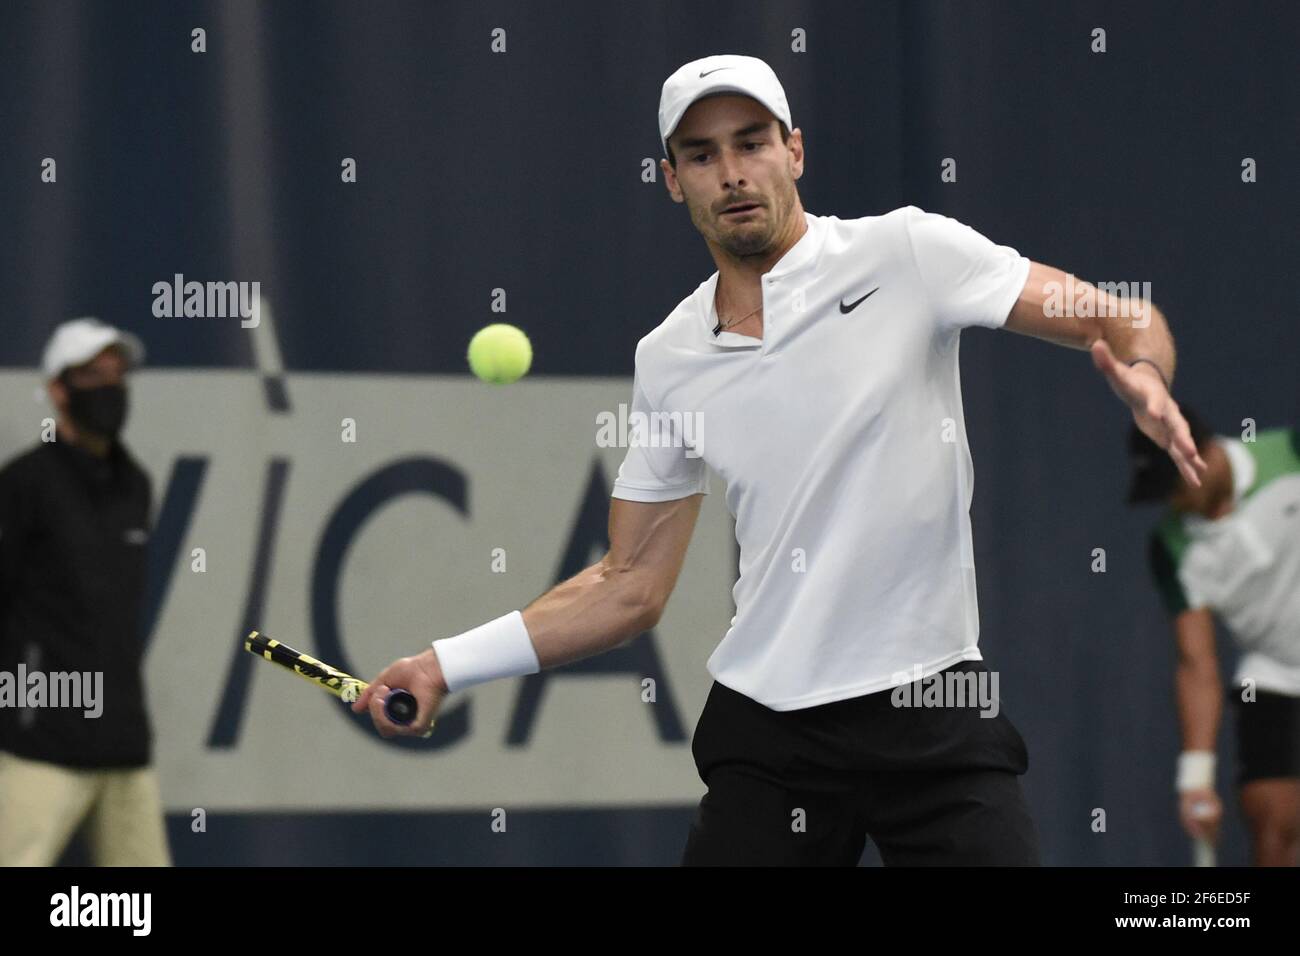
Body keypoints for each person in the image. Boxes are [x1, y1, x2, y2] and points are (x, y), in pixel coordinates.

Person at [353, 54, 1205, 865]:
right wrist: (443, 664)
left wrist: (1142, 372)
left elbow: (1120, 316)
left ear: (793, 151)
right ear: (672, 179)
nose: (731, 173)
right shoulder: (669, 357)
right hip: (771, 732)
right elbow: (629, 584)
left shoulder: (907, 253)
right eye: (701, 153)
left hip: (932, 708)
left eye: (752, 143)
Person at [0, 317, 170, 866]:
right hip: (40, 742)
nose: (110, 387)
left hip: (124, 742)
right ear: (58, 390)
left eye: (118, 375)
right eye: (93, 375)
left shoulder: (136, 485)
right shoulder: (23, 484)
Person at [1129, 409, 1300, 866]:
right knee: (1275, 827)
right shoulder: (1172, 546)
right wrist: (1196, 779)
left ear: (1201, 454)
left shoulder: (1290, 454)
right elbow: (1196, 662)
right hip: (1275, 675)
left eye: (1178, 486)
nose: (1175, 504)